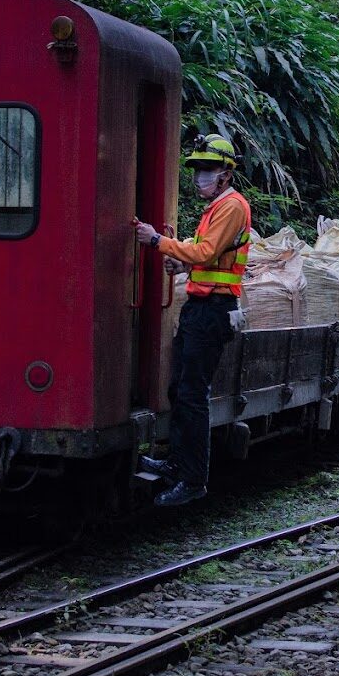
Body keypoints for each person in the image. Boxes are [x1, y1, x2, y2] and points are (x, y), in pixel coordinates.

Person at [133, 134, 251, 506]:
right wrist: (181, 262)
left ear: (227, 174)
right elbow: (205, 258)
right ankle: (177, 463)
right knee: (180, 390)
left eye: (209, 169)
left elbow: (206, 250)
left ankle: (193, 477)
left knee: (193, 394)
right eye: (198, 168)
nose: (201, 175)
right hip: (199, 307)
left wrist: (157, 242)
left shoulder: (232, 206)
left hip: (214, 311)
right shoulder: (215, 208)